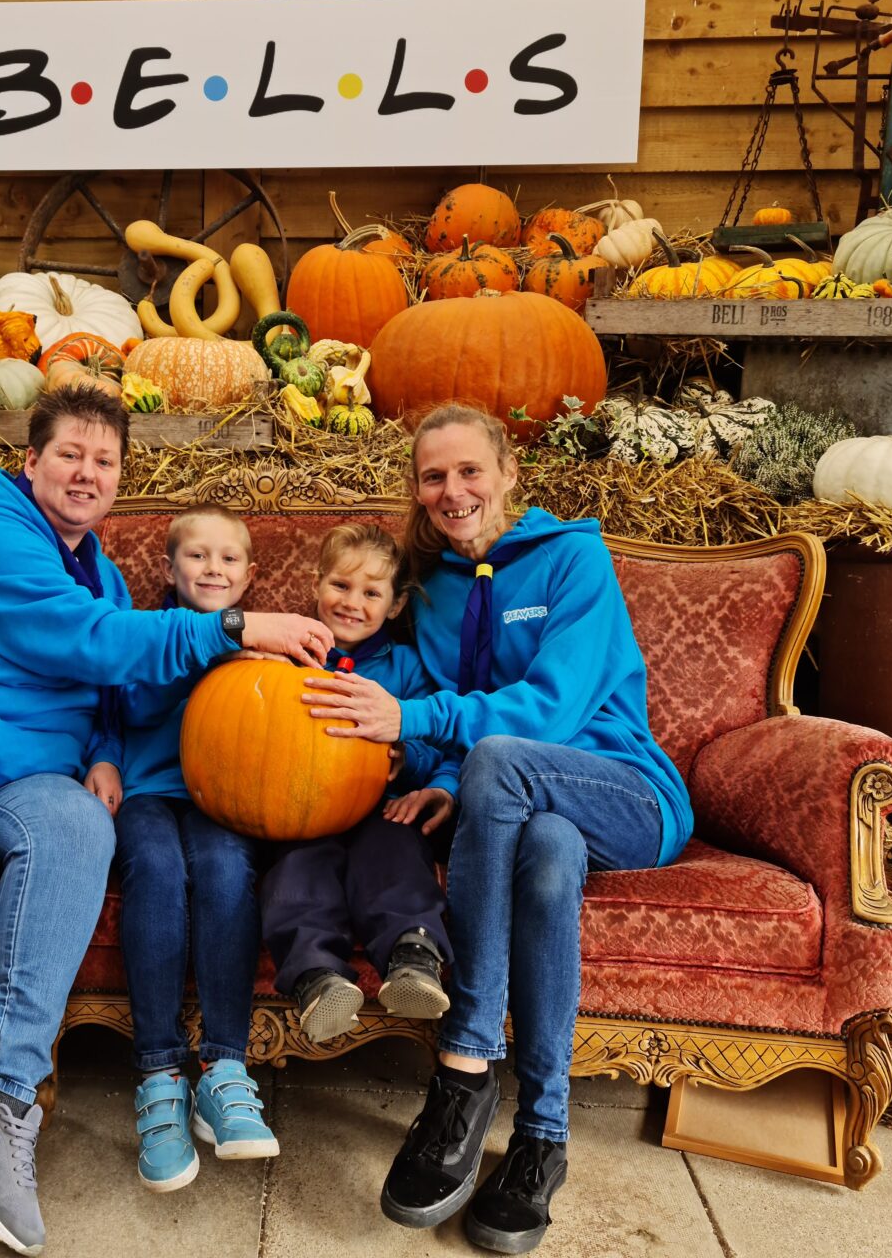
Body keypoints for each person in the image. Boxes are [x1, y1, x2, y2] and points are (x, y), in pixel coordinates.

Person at [0, 386, 331, 1256]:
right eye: (70, 454)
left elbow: (108, 684)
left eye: (105, 460)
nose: (86, 472)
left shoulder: (102, 572)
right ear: (31, 460)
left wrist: (107, 751)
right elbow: (90, 642)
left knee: (84, 828)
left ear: (121, 479)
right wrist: (233, 626)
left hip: (26, 773)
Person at [305, 403, 692, 1255]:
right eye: (434, 476)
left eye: (470, 470)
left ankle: (464, 1066)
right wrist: (446, 783)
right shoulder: (432, 584)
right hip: (530, 814)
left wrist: (414, 723)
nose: (453, 491)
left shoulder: (572, 559)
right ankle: (544, 1136)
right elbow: (457, 726)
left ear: (509, 471)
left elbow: (548, 711)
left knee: (504, 764)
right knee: (547, 858)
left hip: (624, 794)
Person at [112, 505, 277, 1193]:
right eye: (197, 556)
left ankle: (225, 1067)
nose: (213, 568)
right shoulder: (147, 635)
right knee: (153, 866)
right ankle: (158, 1073)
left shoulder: (262, 646)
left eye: (228, 559)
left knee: (224, 866)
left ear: (249, 574)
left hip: (223, 796)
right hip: (148, 790)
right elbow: (121, 708)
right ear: (169, 569)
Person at [261, 523, 459, 1043]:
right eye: (340, 586)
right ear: (316, 585)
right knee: (297, 871)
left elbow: (443, 742)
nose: (352, 602)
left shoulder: (408, 667)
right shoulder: (289, 655)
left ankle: (412, 955)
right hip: (306, 808)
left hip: (382, 805)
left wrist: (406, 755)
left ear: (395, 606)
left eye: (372, 593)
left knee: (394, 851)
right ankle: (317, 977)